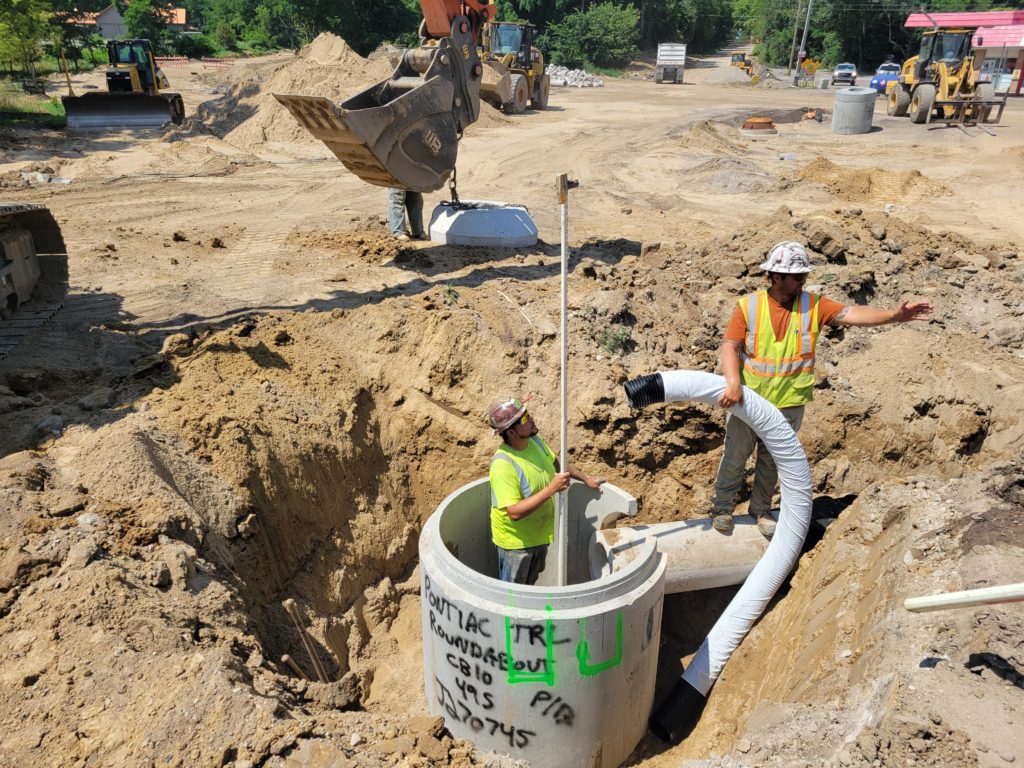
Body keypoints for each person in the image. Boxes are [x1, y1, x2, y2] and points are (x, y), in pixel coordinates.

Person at [712, 240, 934, 538]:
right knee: (736, 456)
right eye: (798, 277)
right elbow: (730, 345)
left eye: (804, 275)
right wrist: (733, 382)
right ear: (776, 277)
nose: (804, 281)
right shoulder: (749, 306)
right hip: (750, 399)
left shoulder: (813, 305)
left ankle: (761, 510)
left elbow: (853, 314)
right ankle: (722, 508)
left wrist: (893, 316)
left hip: (789, 402)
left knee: (772, 461)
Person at [487, 396, 605, 584]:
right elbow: (514, 512)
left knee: (530, 587)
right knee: (514, 596)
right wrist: (551, 489)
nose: (531, 419)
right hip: (516, 546)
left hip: (539, 536)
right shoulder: (503, 464)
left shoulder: (534, 440)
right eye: (524, 419)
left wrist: (586, 479)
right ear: (511, 433)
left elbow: (556, 462)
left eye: (528, 414)